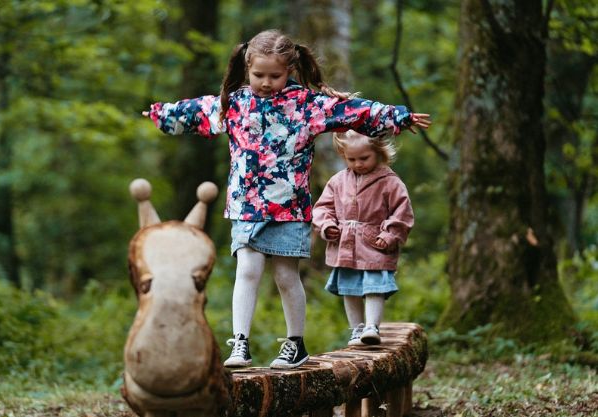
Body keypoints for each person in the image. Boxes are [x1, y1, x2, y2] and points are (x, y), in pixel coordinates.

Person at [142, 29, 430, 369]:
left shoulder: (306, 106)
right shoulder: (234, 103)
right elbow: (198, 111)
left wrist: (397, 117)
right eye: (259, 75)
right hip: (246, 206)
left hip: (289, 208)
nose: (266, 82)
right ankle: (241, 343)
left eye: (275, 76)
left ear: (289, 71)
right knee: (247, 270)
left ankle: (295, 343)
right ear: (247, 69)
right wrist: (163, 115)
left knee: (284, 277)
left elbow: (354, 112)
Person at [312, 130, 415, 346]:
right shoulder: (338, 181)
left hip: (375, 245)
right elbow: (323, 208)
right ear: (343, 156)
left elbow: (402, 212)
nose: (358, 164)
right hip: (345, 246)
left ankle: (372, 327)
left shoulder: (390, 182)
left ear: (378, 152)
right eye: (351, 159)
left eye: (364, 158)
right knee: (350, 288)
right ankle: (356, 329)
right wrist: (327, 225)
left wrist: (391, 234)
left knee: (374, 286)